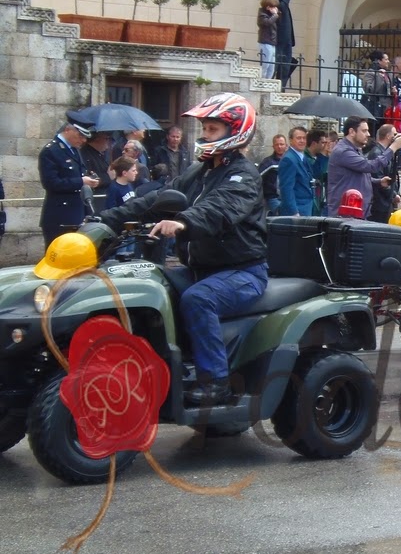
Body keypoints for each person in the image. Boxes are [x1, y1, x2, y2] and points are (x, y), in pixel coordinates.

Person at [99, 93, 267, 405]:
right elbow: (158, 198)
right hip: (201, 270)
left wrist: (183, 222)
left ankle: (216, 381)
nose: (204, 135)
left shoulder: (243, 175)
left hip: (242, 272)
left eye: (212, 129)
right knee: (150, 282)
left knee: (198, 299)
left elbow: (220, 208)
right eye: (204, 128)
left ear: (236, 131)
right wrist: (106, 220)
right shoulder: (199, 171)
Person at [38, 114, 100, 247]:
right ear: (68, 130)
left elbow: (78, 174)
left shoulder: (74, 150)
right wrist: (81, 181)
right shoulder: (51, 151)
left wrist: (90, 179)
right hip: (61, 214)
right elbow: (51, 183)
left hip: (77, 212)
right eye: (80, 135)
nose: (83, 140)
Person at [327, 116, 401, 218]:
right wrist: (393, 147)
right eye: (364, 131)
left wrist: (378, 182)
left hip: (356, 211)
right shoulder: (344, 151)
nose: (368, 134)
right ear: (352, 132)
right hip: (346, 214)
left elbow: (358, 175)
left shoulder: (355, 149)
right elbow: (370, 166)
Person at [365, 123, 400, 223]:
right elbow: (379, 177)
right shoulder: (377, 153)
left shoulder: (384, 152)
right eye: (394, 134)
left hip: (385, 202)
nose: (396, 137)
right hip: (380, 203)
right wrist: (393, 195)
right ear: (388, 136)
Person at [267, 0, 296, 88]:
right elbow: (281, 8)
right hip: (277, 38)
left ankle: (281, 88)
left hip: (287, 38)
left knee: (286, 66)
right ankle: (272, 88)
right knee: (276, 65)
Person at [277, 126, 314, 217]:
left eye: (304, 138)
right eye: (298, 138)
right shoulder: (288, 159)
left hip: (306, 208)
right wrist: (294, 212)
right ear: (291, 140)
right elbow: (286, 189)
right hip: (297, 210)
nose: (302, 141)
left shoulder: (302, 156)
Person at [79, 131, 113, 214]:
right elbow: (92, 178)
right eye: (106, 139)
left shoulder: (98, 154)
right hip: (95, 197)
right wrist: (109, 177)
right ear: (97, 139)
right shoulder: (85, 154)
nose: (108, 142)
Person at [258, 134, 287, 215]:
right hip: (273, 198)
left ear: (286, 146)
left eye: (281, 144)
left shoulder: (291, 161)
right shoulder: (267, 162)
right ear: (273, 146)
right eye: (277, 144)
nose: (279, 147)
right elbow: (258, 178)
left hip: (289, 197)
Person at [361, 50, 393, 123]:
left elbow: (387, 90)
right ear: (379, 61)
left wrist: (393, 91)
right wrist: (378, 76)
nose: (388, 61)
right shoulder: (370, 74)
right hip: (375, 109)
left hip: (386, 109)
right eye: (386, 59)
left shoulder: (387, 74)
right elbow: (371, 91)